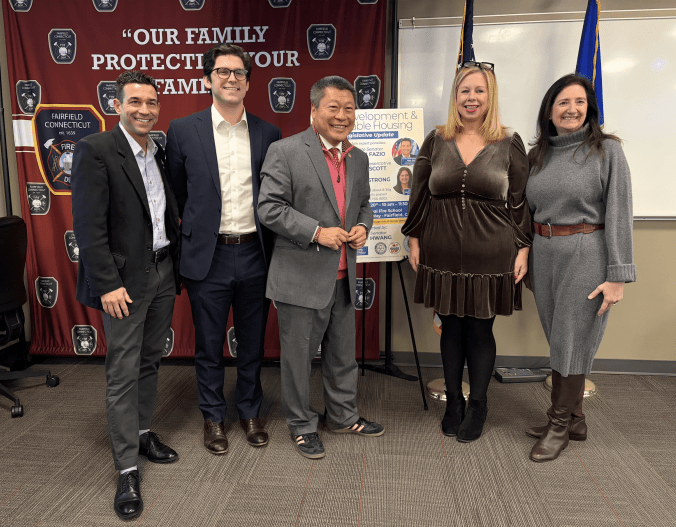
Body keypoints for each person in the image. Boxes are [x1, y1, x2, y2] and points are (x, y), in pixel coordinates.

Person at [402, 62, 532, 443]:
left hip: (491, 253)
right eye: (465, 91)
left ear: (490, 96)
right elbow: (419, 194)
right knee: (451, 327)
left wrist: (523, 248)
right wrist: (414, 239)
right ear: (455, 97)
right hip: (440, 250)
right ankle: (454, 403)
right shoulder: (436, 140)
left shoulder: (509, 142)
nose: (471, 98)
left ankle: (478, 404)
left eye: (479, 91)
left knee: (479, 328)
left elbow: (520, 202)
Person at [71, 70, 180, 521]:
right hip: (124, 282)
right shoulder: (96, 149)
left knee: (150, 360)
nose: (144, 110)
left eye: (151, 102)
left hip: (163, 271)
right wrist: (107, 283)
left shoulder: (159, 150)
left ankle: (142, 433)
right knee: (122, 372)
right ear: (117, 105)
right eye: (135, 102)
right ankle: (127, 469)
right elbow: (88, 227)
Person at [258, 75, 384, 460]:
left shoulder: (359, 157)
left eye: (349, 109)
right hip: (300, 278)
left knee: (343, 357)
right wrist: (316, 232)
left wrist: (363, 226)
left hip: (344, 278)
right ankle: (301, 425)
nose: (343, 116)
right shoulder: (285, 151)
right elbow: (269, 208)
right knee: (298, 360)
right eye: (334, 107)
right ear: (313, 110)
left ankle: (343, 416)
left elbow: (364, 204)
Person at [166, 44, 282, 455]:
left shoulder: (268, 133)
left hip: (255, 253)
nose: (231, 78)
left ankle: (250, 411)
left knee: (252, 344)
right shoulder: (183, 130)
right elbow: (177, 193)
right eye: (222, 71)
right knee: (209, 344)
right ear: (207, 80)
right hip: (208, 256)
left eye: (239, 72)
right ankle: (213, 417)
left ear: (248, 82)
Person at [525, 73, 636, 462]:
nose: (571, 109)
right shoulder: (537, 155)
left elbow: (620, 212)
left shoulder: (607, 151)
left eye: (579, 102)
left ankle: (558, 426)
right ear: (549, 111)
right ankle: (575, 419)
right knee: (559, 340)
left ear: (590, 109)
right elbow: (526, 210)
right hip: (544, 254)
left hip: (586, 253)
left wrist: (618, 276)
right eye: (562, 102)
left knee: (571, 341)